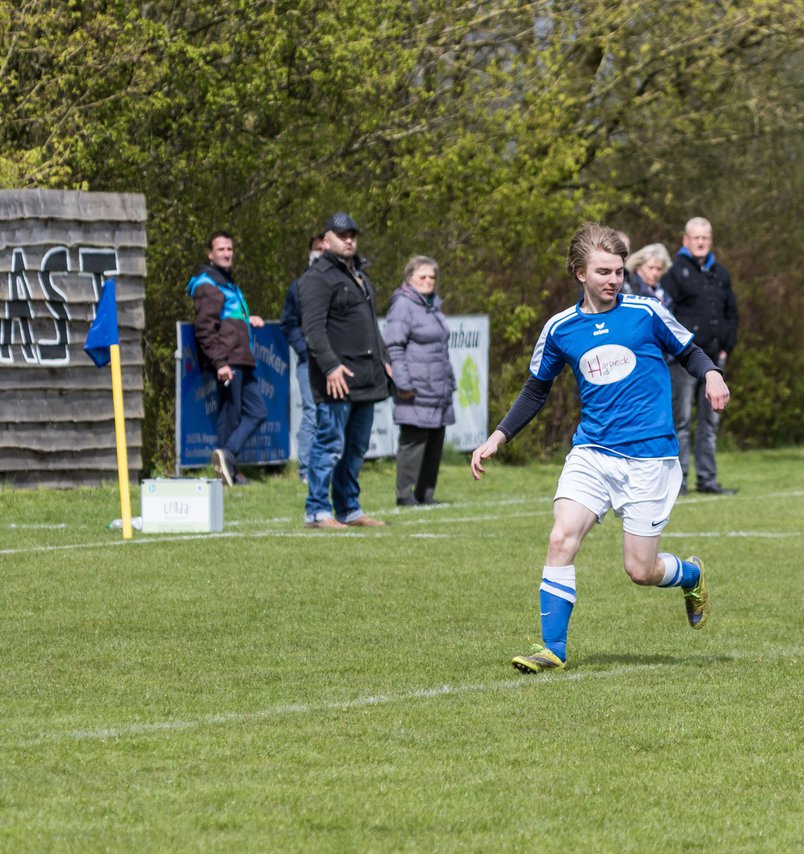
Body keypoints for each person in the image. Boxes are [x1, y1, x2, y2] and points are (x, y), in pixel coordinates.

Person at [470, 223, 731, 674]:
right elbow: (536, 390)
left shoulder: (646, 313)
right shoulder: (561, 329)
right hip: (592, 453)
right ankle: (553, 650)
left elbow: (690, 350)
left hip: (650, 457)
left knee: (640, 570)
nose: (614, 279)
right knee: (560, 538)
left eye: (619, 271)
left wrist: (710, 373)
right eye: (604, 272)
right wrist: (498, 436)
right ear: (579, 274)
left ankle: (689, 575)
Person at [297, 212, 392, 530]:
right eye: (342, 234)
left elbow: (370, 326)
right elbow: (312, 330)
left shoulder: (360, 275)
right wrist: (331, 366)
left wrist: (385, 358)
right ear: (326, 240)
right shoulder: (316, 278)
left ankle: (349, 509)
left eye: (352, 233)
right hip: (336, 380)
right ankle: (317, 511)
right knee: (329, 444)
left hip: (366, 376)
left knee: (356, 447)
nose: (349, 239)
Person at [660, 216, 739, 495]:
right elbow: (664, 313)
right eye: (696, 237)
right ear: (685, 240)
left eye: (705, 237)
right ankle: (677, 481)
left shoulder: (720, 273)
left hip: (714, 361)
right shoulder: (674, 272)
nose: (701, 242)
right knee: (680, 421)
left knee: (710, 422)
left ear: (711, 240)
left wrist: (726, 346)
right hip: (684, 361)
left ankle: (707, 479)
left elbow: (732, 312)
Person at [186, 230, 265, 487]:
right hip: (229, 360)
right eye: (220, 249)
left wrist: (248, 320)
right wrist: (221, 363)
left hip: (241, 358)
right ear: (210, 254)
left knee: (257, 412)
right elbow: (205, 328)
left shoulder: (226, 282)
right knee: (230, 414)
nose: (226, 253)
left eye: (229, 249)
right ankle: (226, 466)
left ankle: (227, 460)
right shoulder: (208, 284)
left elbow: (230, 318)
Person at [385, 255, 457, 506]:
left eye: (432, 277)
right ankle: (405, 495)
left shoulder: (433, 304)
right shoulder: (403, 305)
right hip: (414, 387)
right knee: (413, 442)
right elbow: (394, 346)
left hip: (438, 387)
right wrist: (403, 384)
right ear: (409, 279)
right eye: (422, 276)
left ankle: (425, 494)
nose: (428, 281)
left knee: (435, 442)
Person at [279, 233, 325, 482]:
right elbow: (288, 323)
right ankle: (306, 470)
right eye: (317, 249)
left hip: (338, 363)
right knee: (311, 413)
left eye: (324, 248)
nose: (320, 253)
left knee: (334, 416)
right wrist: (305, 349)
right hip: (309, 362)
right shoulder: (299, 286)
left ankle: (330, 467)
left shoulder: (339, 281)